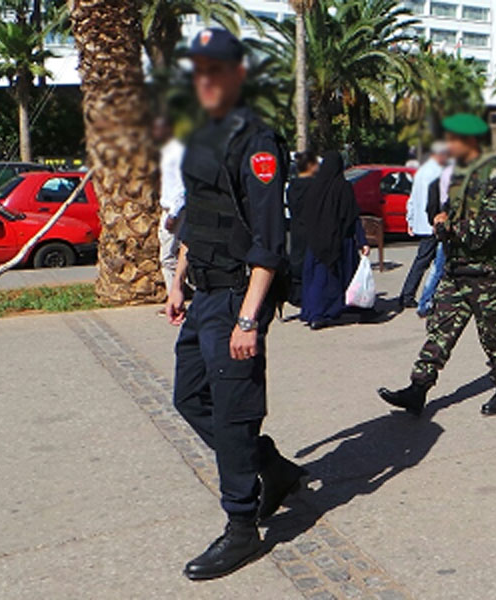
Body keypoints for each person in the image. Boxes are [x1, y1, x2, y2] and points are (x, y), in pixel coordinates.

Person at [164, 28, 306, 581]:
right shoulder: (202, 134)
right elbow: (199, 219)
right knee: (188, 397)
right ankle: (270, 467)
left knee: (232, 414)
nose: (204, 80)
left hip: (235, 301)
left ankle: (242, 528)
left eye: (214, 69)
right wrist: (178, 280)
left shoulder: (257, 142)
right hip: (202, 294)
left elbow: (270, 242)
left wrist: (249, 318)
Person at [377, 113, 496, 417]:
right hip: (456, 270)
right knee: (439, 333)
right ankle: (418, 390)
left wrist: (450, 227)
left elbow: (491, 227)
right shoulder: (458, 175)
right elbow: (447, 215)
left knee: (495, 336)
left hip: (485, 275)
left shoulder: (492, 175)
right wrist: (442, 220)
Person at [296, 151, 368, 329]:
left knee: (316, 278)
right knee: (332, 279)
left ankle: (312, 312)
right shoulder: (343, 187)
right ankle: (326, 312)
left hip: (316, 243)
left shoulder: (314, 188)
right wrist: (362, 241)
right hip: (339, 242)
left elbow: (305, 216)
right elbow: (352, 217)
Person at [399, 142, 450, 308]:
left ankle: (410, 294)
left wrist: (410, 220)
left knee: (424, 261)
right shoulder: (437, 173)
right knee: (434, 263)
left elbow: (412, 198)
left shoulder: (421, 171)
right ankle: (416, 295)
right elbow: (436, 201)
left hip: (423, 223)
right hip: (433, 224)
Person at [417, 163, 453, 317]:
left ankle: (428, 301)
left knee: (439, 267)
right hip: (449, 229)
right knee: (439, 266)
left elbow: (430, 206)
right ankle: (425, 302)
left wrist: (434, 221)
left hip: (441, 228)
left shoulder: (436, 181)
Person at [155, 116, 186, 293]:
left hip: (175, 210)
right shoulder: (167, 152)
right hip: (167, 208)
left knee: (167, 257)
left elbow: (182, 187)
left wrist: (174, 214)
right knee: (170, 254)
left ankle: (176, 295)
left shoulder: (177, 152)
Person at [284, 151, 320, 307]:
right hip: (313, 229)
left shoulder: (292, 186)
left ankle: (296, 294)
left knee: (297, 258)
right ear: (310, 165)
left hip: (296, 226)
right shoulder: (315, 186)